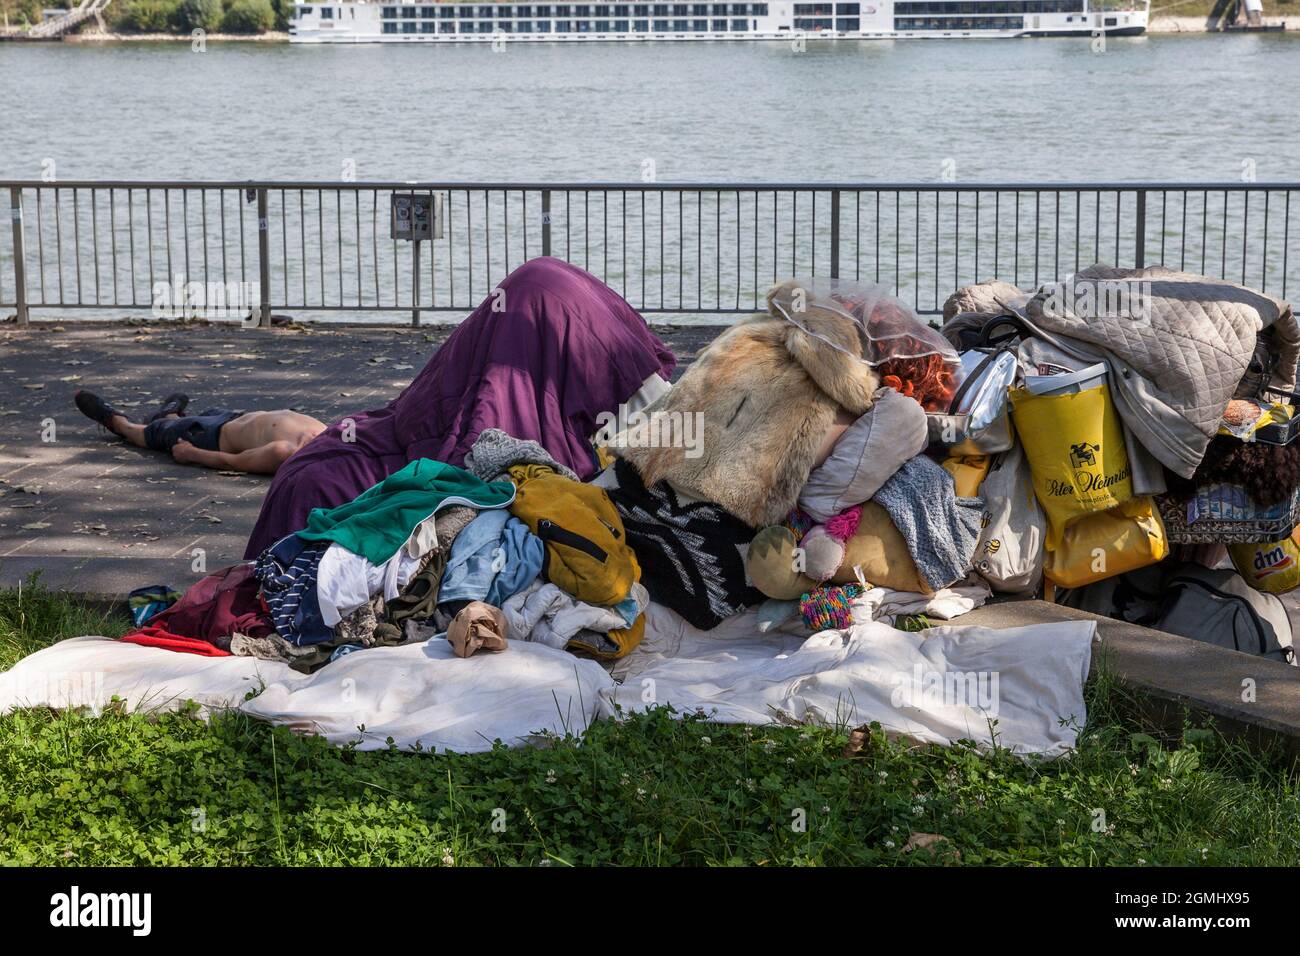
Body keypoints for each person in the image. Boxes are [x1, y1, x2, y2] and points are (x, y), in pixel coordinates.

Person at [74, 390, 326, 476]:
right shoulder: (330, 436)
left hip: (208, 435)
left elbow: (235, 462)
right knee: (181, 420)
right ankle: (169, 414)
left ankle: (117, 422)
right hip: (234, 416)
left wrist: (192, 454)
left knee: (149, 434)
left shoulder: (284, 453)